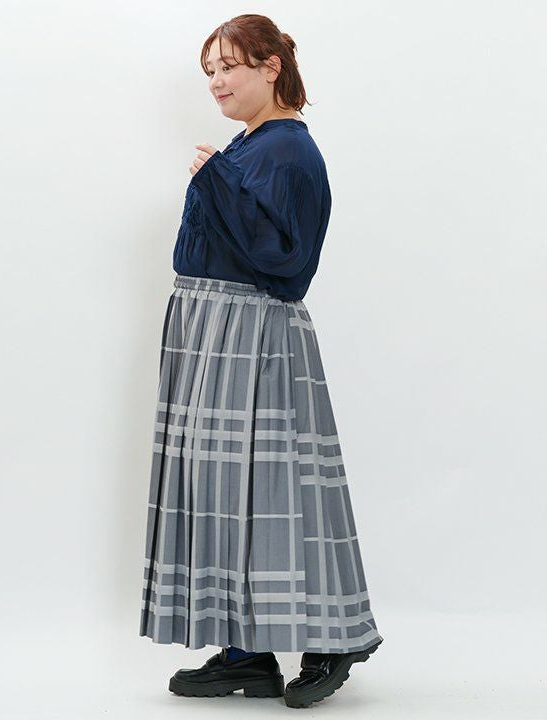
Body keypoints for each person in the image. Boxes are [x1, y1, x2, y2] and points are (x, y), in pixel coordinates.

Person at [139, 14, 384, 709]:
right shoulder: (249, 144)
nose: (216, 82)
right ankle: (247, 654)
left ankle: (335, 639)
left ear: (271, 66)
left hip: (251, 334)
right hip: (214, 333)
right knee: (227, 494)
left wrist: (214, 181)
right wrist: (218, 178)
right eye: (210, 71)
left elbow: (287, 263)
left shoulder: (287, 149)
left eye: (229, 66)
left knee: (278, 491)